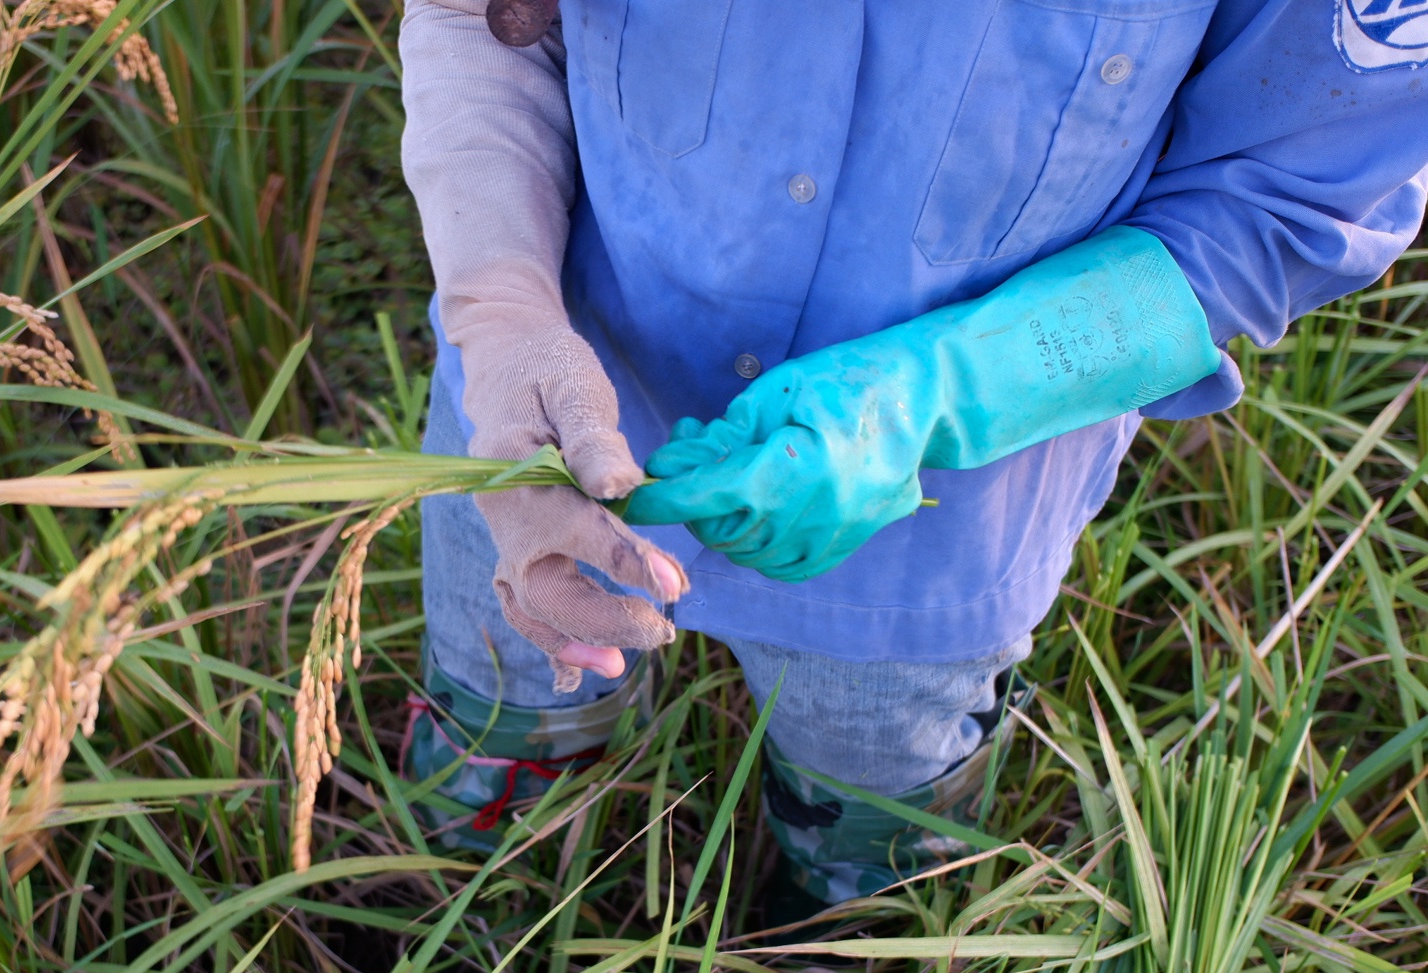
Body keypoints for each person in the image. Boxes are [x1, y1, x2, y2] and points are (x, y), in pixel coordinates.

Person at [397, 0, 1428, 912]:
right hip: (542, 421)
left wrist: (947, 391)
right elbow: (482, 26)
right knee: (499, 742)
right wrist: (500, 312)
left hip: (932, 534)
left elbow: (1287, 201)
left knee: (865, 859)